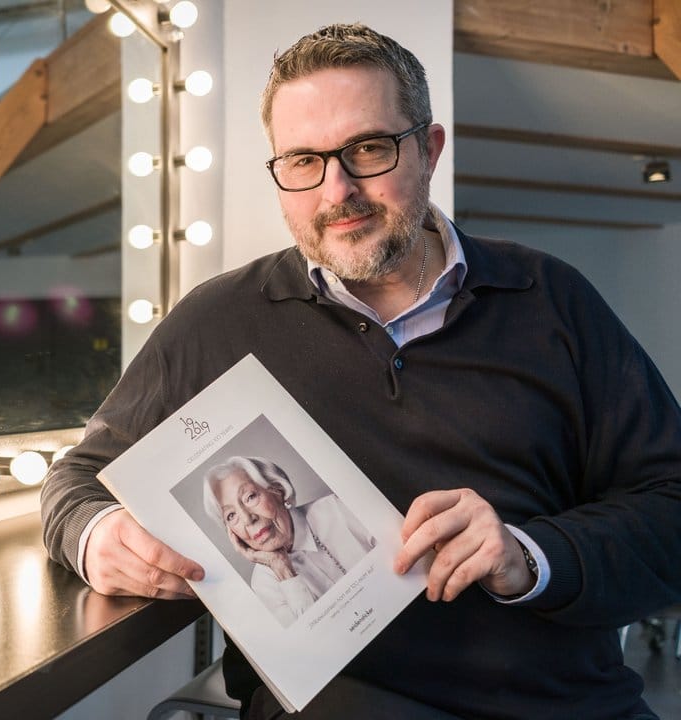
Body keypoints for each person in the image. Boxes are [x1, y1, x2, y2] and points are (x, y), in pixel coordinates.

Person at [40, 23, 681, 720]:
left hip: (567, 707)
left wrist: (528, 555)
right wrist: (97, 537)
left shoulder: (551, 299)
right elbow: (77, 477)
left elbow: (671, 503)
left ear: (429, 150)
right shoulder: (217, 321)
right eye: (302, 161)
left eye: (369, 149)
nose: (336, 190)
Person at [202, 456, 375, 627]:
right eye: (231, 516)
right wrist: (282, 569)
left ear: (278, 490)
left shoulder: (337, 509)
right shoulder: (263, 583)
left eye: (250, 497)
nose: (247, 519)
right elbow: (318, 642)